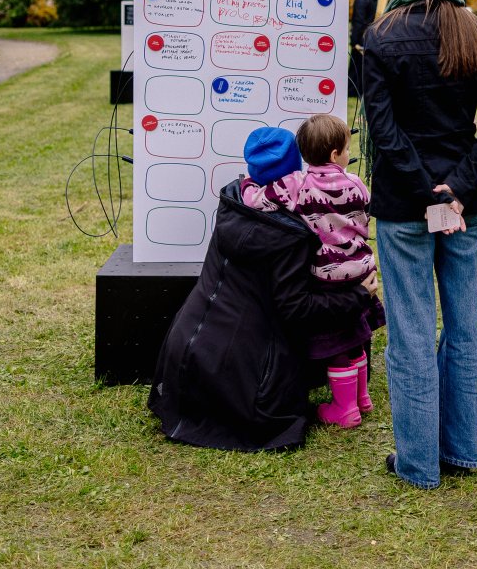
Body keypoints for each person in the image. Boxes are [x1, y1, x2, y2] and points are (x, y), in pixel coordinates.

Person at [362, 0, 477, 488]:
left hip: (408, 203)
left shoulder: (382, 36)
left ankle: (420, 464)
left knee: (411, 332)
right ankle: (460, 452)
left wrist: (430, 185)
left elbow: (383, 128)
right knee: (465, 326)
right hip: (463, 203)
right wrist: (457, 184)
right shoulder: (475, 32)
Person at [148, 126, 375, 452]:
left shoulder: (233, 200)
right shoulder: (290, 234)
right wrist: (358, 296)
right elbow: (296, 309)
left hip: (184, 363)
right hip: (245, 383)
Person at [243, 114, 385, 429]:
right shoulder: (356, 183)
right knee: (356, 336)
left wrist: (248, 183)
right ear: (335, 154)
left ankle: (344, 409)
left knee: (337, 345)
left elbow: (254, 200)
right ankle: (361, 398)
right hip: (362, 271)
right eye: (347, 149)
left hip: (328, 278)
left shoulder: (296, 184)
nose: (349, 154)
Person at [348, 0, 379, 97]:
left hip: (360, 37)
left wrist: (354, 40)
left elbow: (358, 21)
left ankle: (353, 91)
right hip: (371, 35)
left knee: (356, 66)